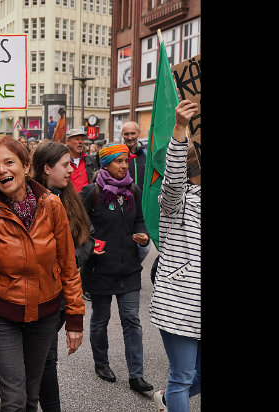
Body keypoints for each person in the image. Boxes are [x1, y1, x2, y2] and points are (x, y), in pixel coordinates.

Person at [0, 136, 84, 411]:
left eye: (9, 162)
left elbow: (68, 266)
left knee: (30, 397)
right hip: (3, 315)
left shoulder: (52, 205)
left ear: (26, 166)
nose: (2, 170)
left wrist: (75, 316)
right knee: (13, 400)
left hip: (45, 315)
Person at [79, 143, 153, 394]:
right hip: (100, 268)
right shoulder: (92, 192)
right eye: (118, 161)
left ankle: (136, 375)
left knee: (132, 320)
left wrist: (142, 234)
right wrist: (90, 244)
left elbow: (140, 220)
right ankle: (101, 363)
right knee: (100, 319)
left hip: (129, 268)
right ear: (105, 164)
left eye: (126, 161)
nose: (124, 166)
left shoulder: (133, 190)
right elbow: (78, 225)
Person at [31, 141, 94, 411]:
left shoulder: (69, 196)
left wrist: (71, 259)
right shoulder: (30, 200)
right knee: (39, 359)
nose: (71, 170)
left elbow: (86, 237)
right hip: (36, 293)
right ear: (46, 168)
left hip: (61, 294)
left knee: (46, 359)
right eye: (65, 165)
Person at [149, 100, 201, 412]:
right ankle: (174, 397)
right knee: (182, 376)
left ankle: (167, 400)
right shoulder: (176, 201)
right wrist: (180, 130)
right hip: (180, 303)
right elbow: (172, 181)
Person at [64, 128, 100, 193]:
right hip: (69, 201)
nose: (81, 142)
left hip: (88, 201)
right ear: (67, 142)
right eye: (77, 139)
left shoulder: (90, 160)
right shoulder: (62, 161)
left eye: (82, 139)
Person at [121, 121, 147, 196]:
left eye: (133, 133)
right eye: (126, 134)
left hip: (143, 201)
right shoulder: (117, 155)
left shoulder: (147, 154)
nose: (129, 137)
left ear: (139, 133)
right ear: (122, 134)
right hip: (124, 201)